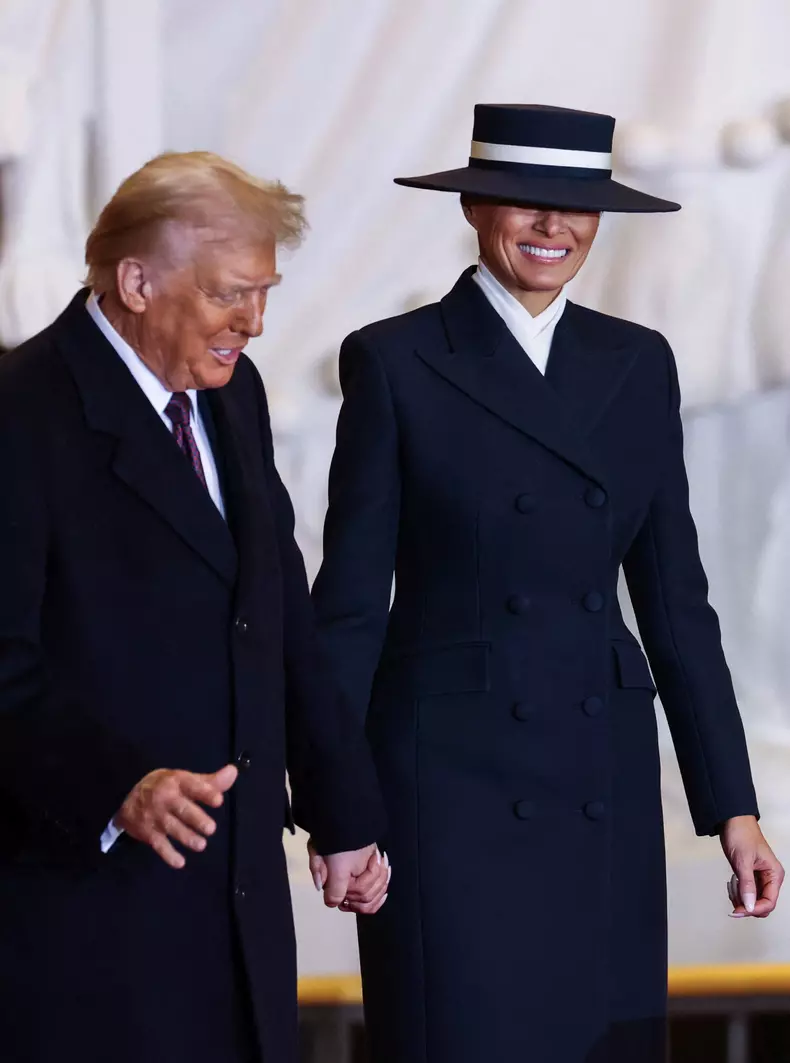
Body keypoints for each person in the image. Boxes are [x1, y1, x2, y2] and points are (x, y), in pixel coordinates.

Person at [310, 105, 784, 1063]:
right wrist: (336, 804)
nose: (552, 227)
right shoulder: (396, 360)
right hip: (446, 787)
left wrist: (733, 805)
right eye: (528, 203)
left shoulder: (637, 363)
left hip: (594, 773)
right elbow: (352, 604)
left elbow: (676, 602)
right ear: (477, 206)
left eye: (576, 207)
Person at [0, 151, 389, 1063]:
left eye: (264, 293)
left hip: (238, 906)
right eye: (229, 295)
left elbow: (277, 608)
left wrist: (341, 810)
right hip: (87, 919)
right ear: (136, 280)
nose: (253, 324)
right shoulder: (20, 415)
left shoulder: (231, 394)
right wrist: (118, 786)